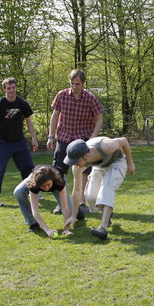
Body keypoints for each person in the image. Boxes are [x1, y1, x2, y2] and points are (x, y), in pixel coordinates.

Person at [47, 69, 103, 215]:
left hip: (82, 139)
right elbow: (55, 116)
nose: (74, 87)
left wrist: (93, 137)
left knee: (84, 171)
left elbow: (99, 118)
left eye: (77, 84)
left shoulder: (90, 98)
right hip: (64, 138)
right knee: (59, 172)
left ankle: (82, 203)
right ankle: (62, 203)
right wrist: (50, 136)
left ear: (83, 83)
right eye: (72, 83)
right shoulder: (62, 95)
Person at [63, 136, 135, 239]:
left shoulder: (106, 146)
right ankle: (107, 211)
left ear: (86, 156)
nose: (74, 163)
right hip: (99, 166)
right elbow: (77, 190)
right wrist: (73, 216)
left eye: (75, 160)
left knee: (107, 188)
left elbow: (124, 140)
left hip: (117, 162)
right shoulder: (78, 166)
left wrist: (130, 163)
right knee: (90, 197)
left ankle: (103, 228)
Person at [0, 77, 38, 207]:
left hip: (20, 142)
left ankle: (33, 192)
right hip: (3, 143)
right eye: (8, 88)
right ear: (4, 89)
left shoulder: (22, 103)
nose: (11, 90)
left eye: (13, 88)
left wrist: (34, 139)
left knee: (28, 169)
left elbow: (29, 122)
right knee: (0, 170)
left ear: (16, 88)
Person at [13, 164, 72, 236]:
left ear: (52, 181)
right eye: (43, 186)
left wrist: (66, 229)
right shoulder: (34, 184)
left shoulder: (59, 182)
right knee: (18, 192)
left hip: (56, 178)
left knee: (70, 210)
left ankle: (78, 211)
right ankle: (33, 223)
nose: (46, 188)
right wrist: (47, 230)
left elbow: (65, 208)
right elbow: (35, 210)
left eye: (48, 184)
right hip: (34, 176)